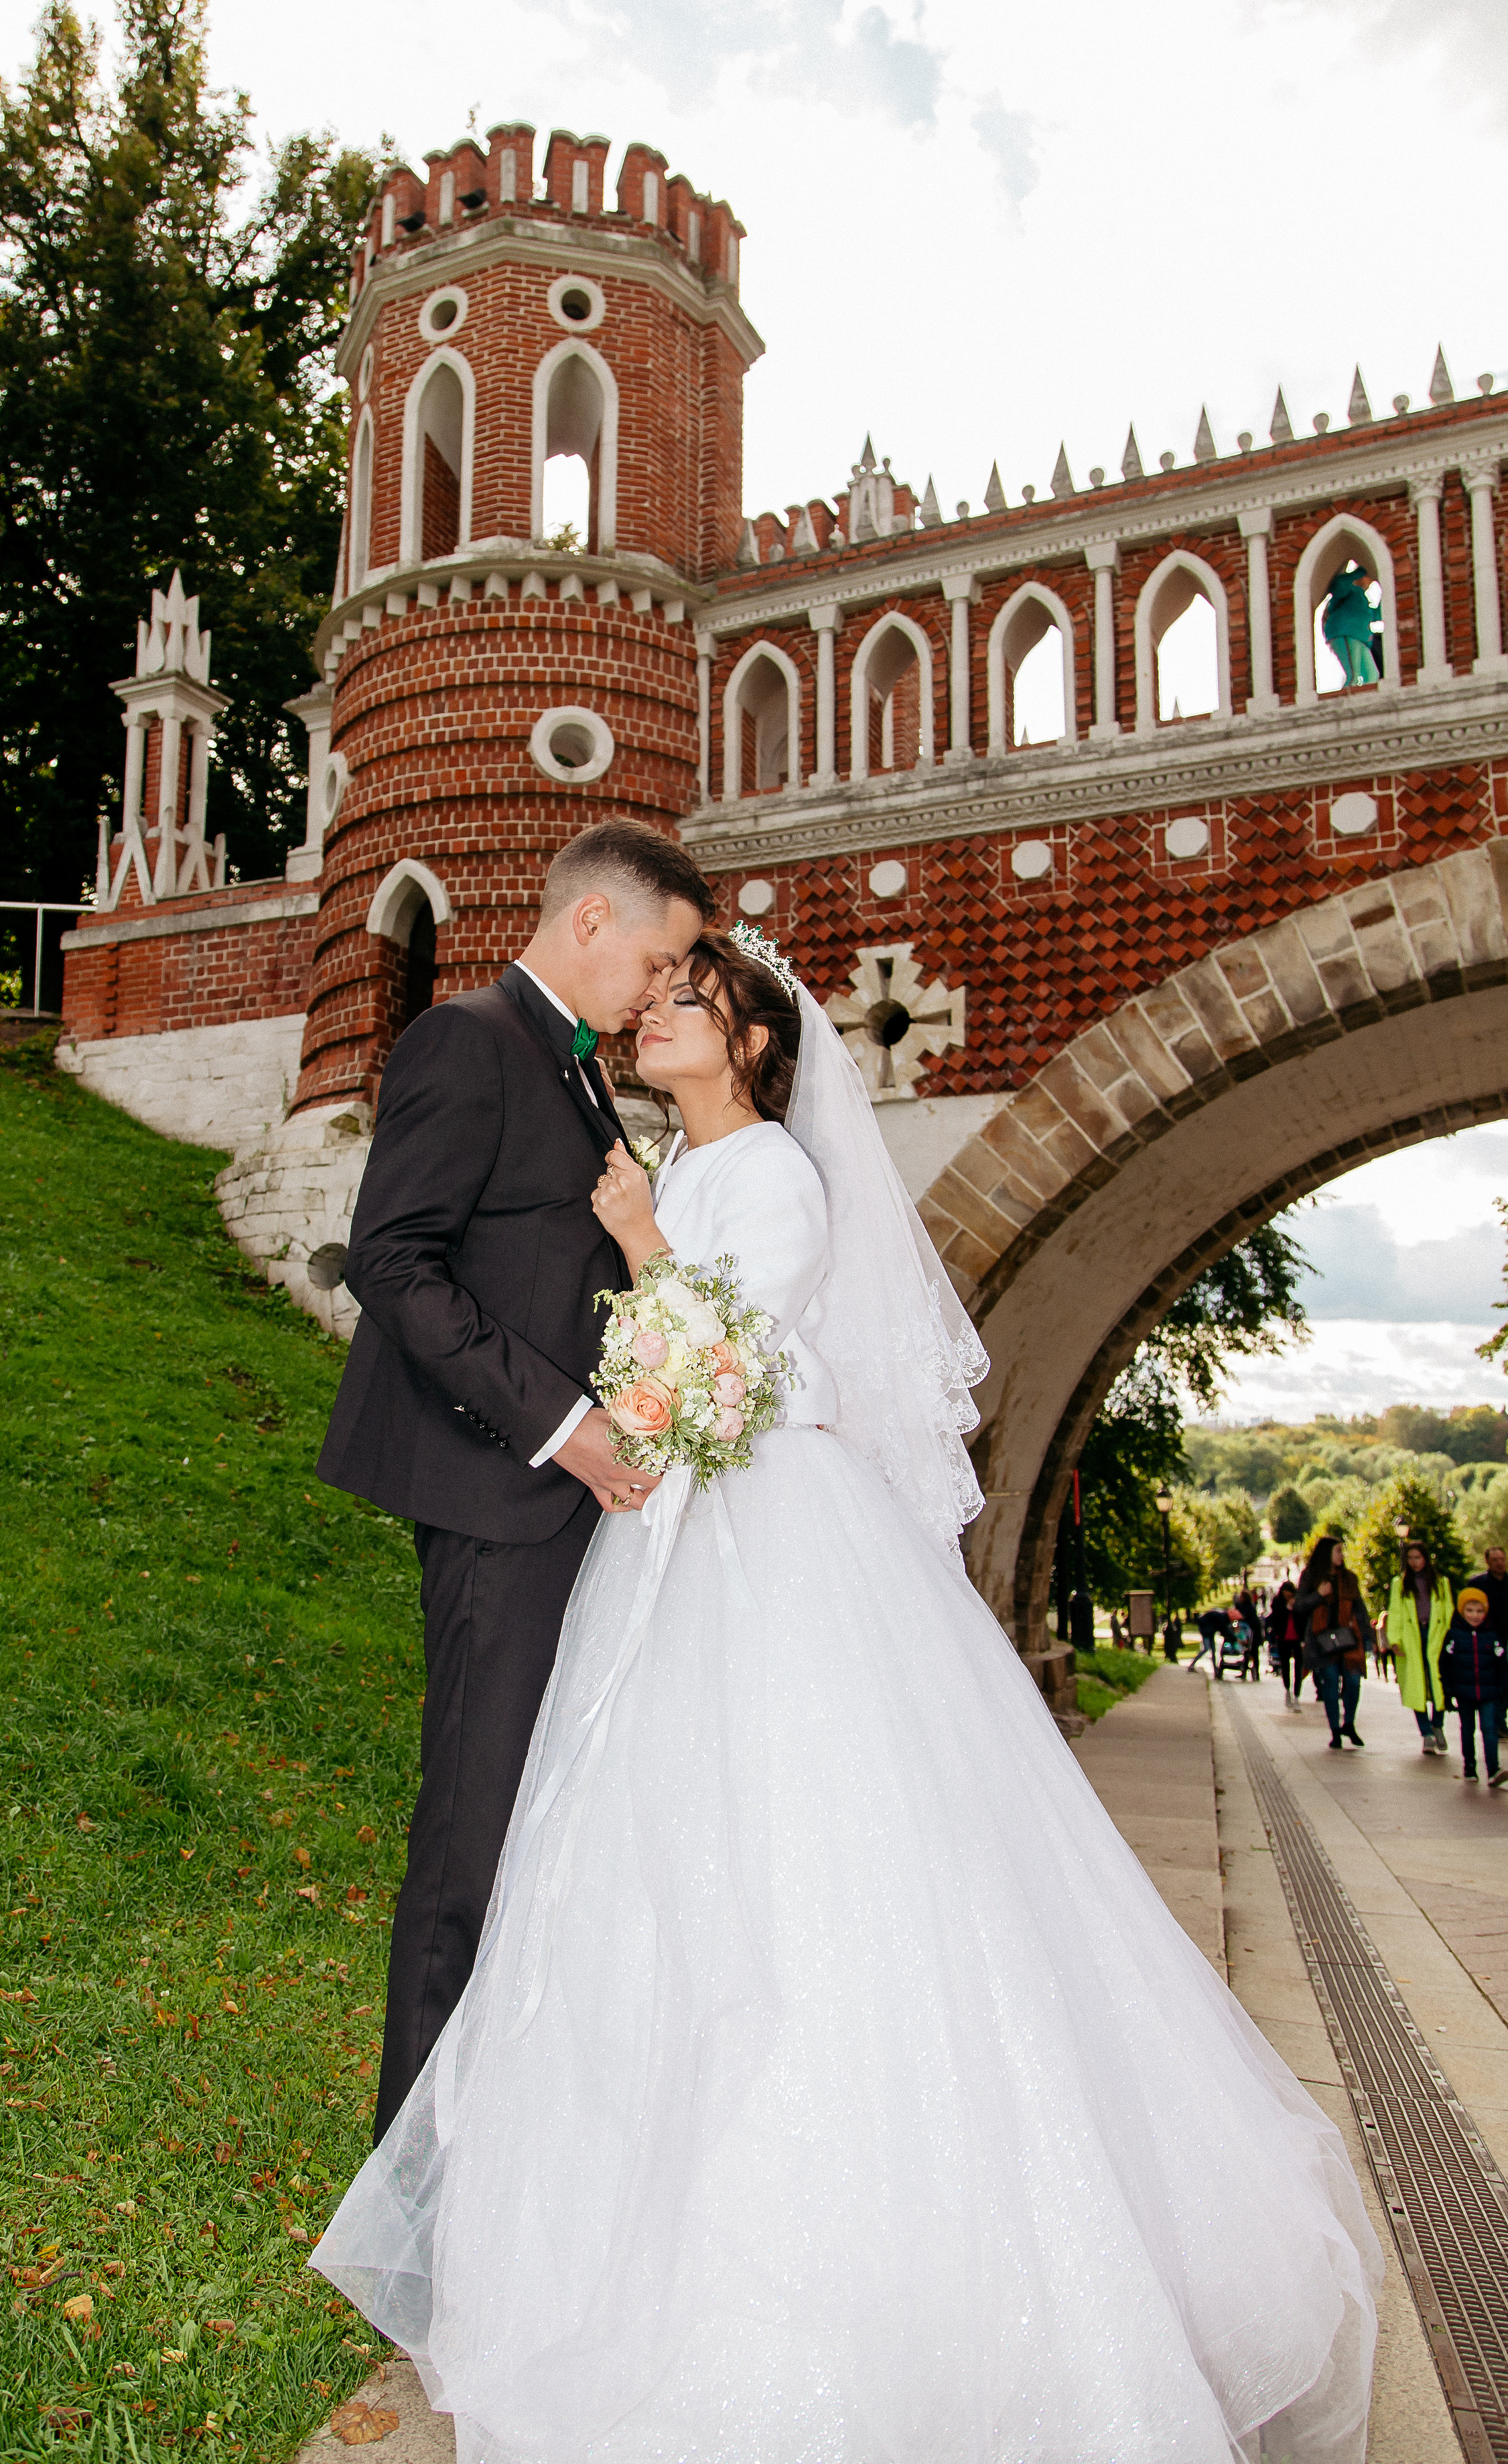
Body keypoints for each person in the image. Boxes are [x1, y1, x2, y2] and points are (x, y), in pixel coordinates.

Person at [315, 927, 1380, 2463]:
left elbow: (734, 1376)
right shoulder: (667, 1169)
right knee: (641, 1873)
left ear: (751, 1045)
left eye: (685, 1000)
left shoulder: (772, 1181)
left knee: (801, 1860)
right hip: (668, 1543)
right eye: (655, 994)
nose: (654, 1013)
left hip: (772, 1543)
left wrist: (643, 1248)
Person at [315, 819, 713, 2136]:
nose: (661, 990)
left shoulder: (574, 1065)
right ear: (591, 919)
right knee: (470, 1842)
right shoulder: (465, 1039)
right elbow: (392, 1261)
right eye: (657, 961)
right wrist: (564, 1428)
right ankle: (414, 2173)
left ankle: (495, 2141)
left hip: (555, 1507)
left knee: (535, 1829)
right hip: (495, 1496)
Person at [1385, 1537, 1455, 1756]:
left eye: (1418, 1557)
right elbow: (1396, 1612)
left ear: (1426, 1558)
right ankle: (1426, 1734)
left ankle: (1438, 1725)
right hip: (1412, 1637)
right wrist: (1395, 1640)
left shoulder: (1441, 1582)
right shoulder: (1400, 1583)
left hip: (1436, 1636)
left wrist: (1451, 1637)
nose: (1415, 1562)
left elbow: (1448, 1611)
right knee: (1415, 1685)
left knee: (1439, 1684)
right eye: (1410, 1558)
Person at [1298, 1537, 1367, 1749]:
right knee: (1331, 1681)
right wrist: (1318, 1595)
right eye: (1338, 1551)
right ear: (1327, 1553)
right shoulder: (1311, 1577)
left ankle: (1349, 1724)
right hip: (1321, 1641)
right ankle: (1335, 1731)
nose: (1342, 1555)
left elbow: (1360, 1610)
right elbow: (1300, 1606)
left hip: (1348, 1639)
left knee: (1354, 1681)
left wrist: (1368, 1638)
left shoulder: (1349, 1578)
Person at [1438, 1588, 1507, 1785]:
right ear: (1461, 1611)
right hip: (1464, 1692)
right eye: (1470, 1611)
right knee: (1467, 1730)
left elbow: (1502, 1664)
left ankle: (1493, 1770)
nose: (1475, 1616)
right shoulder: (1454, 1636)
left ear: (1486, 1612)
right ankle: (1469, 1767)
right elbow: (1445, 1663)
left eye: (1479, 1611)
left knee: (1490, 1729)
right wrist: (1448, 1690)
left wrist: (1503, 1689)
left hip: (1489, 1693)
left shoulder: (1492, 1636)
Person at [1267, 1576, 1305, 1704]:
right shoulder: (1278, 1602)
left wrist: (1295, 1607)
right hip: (1283, 1638)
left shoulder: (1299, 1601)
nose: (1287, 1595)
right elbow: (1275, 1618)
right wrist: (1287, 1607)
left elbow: (1303, 1618)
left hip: (1297, 1638)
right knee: (1285, 1665)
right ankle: (1287, 1689)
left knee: (1299, 1667)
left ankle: (1297, 1694)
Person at [1472, 1542, 1508, 1647]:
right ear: (1487, 1561)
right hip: (1485, 1635)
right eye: (1495, 1560)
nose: (1500, 1563)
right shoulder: (1477, 1584)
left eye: (1502, 1559)